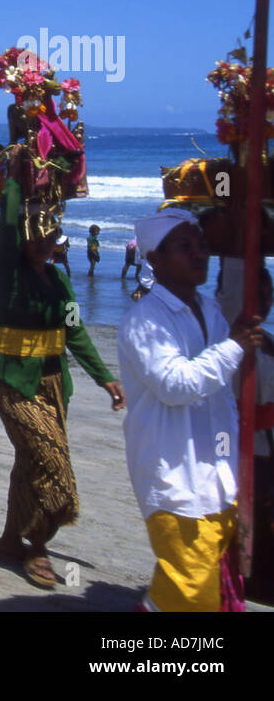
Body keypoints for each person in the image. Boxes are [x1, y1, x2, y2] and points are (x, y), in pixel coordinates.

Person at [0, 172, 124, 589]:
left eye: (52, 236)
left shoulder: (60, 279)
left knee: (29, 462)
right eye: (37, 236)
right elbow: (8, 225)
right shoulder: (8, 272)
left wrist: (105, 378)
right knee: (52, 467)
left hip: (55, 385)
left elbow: (75, 332)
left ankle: (11, 540)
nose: (45, 243)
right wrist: (14, 174)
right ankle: (38, 546)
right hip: (14, 382)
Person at [117, 209, 262, 611]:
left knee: (199, 589)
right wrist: (234, 347)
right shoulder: (144, 320)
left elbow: (217, 386)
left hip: (215, 471)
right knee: (188, 592)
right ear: (155, 259)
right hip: (175, 475)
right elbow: (176, 385)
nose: (200, 254)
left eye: (201, 244)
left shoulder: (208, 309)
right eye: (185, 246)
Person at [215, 256, 274, 603]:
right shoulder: (229, 337)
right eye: (258, 295)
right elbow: (236, 284)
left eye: (268, 295)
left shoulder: (266, 341)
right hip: (232, 448)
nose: (264, 302)